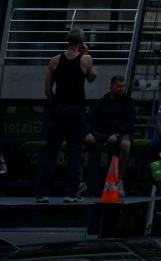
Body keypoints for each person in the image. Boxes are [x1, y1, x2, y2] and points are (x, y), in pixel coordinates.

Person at [36, 28, 96, 203]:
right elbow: (92, 77)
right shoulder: (85, 60)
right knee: (75, 151)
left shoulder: (54, 60)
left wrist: (53, 103)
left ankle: (44, 192)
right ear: (81, 42)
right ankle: (70, 192)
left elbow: (47, 88)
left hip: (58, 109)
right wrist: (87, 54)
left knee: (51, 150)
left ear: (67, 41)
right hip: (75, 110)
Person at [84, 73, 135, 196]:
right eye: (118, 86)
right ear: (111, 87)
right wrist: (89, 133)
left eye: (123, 86)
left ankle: (119, 180)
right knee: (79, 143)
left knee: (126, 145)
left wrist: (117, 134)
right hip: (101, 133)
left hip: (119, 133)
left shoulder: (129, 101)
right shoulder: (102, 102)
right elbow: (90, 120)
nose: (121, 89)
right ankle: (80, 181)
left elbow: (129, 123)